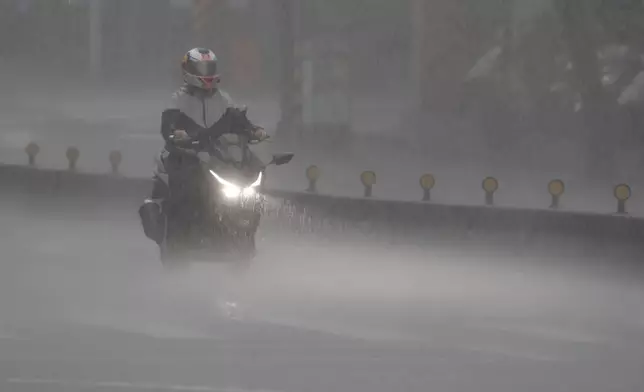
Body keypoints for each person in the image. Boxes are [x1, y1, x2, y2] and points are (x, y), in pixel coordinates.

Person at [139, 48, 267, 244]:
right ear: (188, 70)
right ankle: (179, 236)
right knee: (184, 188)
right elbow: (168, 126)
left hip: (218, 155)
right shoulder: (178, 100)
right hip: (187, 154)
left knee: (256, 168)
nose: (207, 72)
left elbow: (239, 121)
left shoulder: (224, 99)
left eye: (210, 67)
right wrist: (177, 134)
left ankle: (244, 224)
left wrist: (254, 131)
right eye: (202, 67)